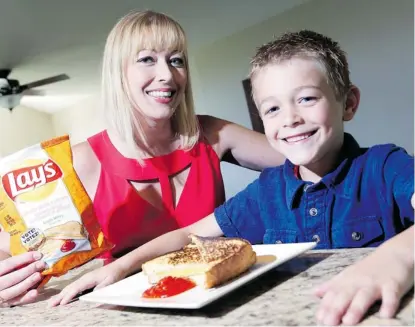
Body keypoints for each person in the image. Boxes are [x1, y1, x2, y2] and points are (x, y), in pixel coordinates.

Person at [49, 30, 414, 325]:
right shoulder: (266, 192)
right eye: (272, 109)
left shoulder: (385, 167)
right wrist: (121, 269)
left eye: (306, 99)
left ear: (348, 103)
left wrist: (397, 258)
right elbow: (186, 236)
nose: (289, 119)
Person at [0, 11, 285, 307]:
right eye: (147, 59)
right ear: (118, 73)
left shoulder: (213, 134)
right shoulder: (82, 161)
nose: (167, 74)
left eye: (176, 60)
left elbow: (309, 158)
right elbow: (9, 242)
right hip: (127, 312)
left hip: (222, 297)